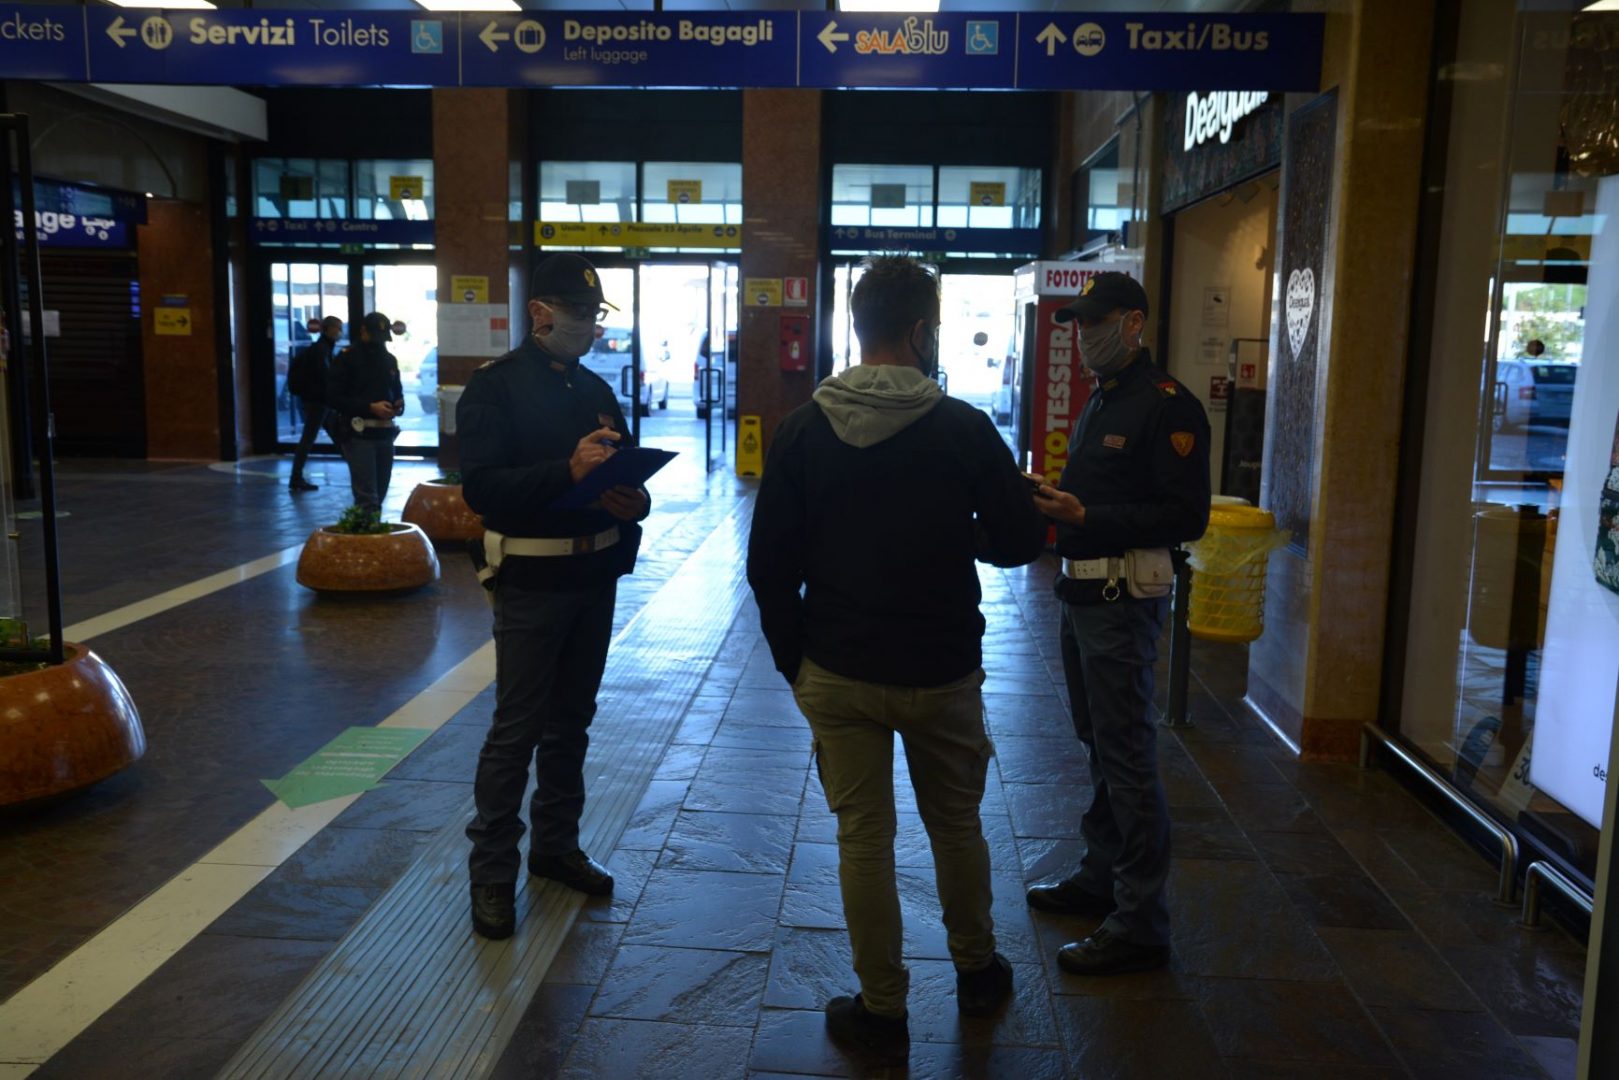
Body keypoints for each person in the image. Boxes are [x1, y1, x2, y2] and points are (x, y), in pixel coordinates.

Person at [747, 255, 1047, 1065]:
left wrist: (796, 669)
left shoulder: (804, 429)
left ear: (858, 327)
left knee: (863, 839)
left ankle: (882, 1010)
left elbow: (770, 566)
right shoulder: (962, 426)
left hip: (839, 670)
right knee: (955, 827)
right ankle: (977, 971)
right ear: (919, 331)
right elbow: (1021, 541)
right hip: (941, 669)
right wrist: (976, 530)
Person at [457, 253, 651, 941]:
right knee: (517, 729)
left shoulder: (597, 387)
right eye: (578, 314)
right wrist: (564, 470)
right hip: (533, 580)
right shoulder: (495, 389)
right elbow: (480, 488)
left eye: (595, 315)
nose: (589, 327)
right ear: (540, 313)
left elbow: (631, 473)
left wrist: (634, 500)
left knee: (572, 722)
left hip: (592, 575)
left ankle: (555, 846)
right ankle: (490, 875)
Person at [1026, 271, 1211, 976]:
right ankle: (1100, 876)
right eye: (1076, 324)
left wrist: (1086, 517)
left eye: (1095, 322)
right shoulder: (1103, 401)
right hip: (1080, 598)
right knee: (1100, 745)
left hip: (1121, 603)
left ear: (1133, 322)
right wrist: (1057, 501)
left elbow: (1183, 517)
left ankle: (1138, 921)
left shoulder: (1168, 406)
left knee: (1127, 755)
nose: (1082, 335)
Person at [326, 312, 405, 513]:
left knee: (380, 492)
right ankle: (368, 542)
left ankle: (373, 536)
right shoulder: (347, 358)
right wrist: (369, 407)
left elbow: (396, 390)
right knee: (367, 497)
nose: (379, 343)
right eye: (375, 337)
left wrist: (397, 404)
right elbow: (333, 397)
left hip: (385, 433)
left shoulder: (389, 360)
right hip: (358, 433)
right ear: (363, 331)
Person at [287, 316, 343, 493]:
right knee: (309, 438)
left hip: (318, 401)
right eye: (338, 328)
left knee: (335, 435)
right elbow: (325, 377)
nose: (341, 332)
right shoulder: (321, 350)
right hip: (318, 402)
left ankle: (296, 477)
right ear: (330, 329)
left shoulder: (322, 348)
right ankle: (296, 477)